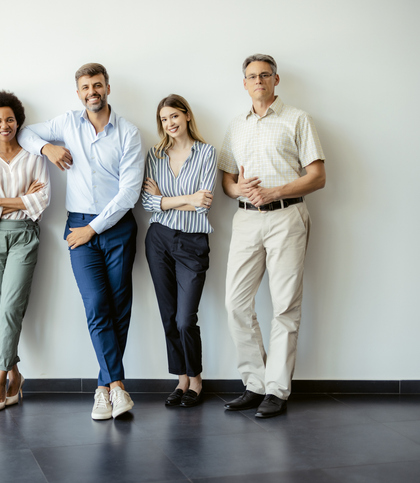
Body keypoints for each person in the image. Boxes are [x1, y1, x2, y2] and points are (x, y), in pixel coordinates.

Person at [17, 63, 143, 420]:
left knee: (119, 307)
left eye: (98, 85)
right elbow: (25, 133)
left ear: (107, 88)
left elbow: (129, 192)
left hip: (116, 226)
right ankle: (117, 386)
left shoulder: (129, 133)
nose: (92, 91)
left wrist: (95, 229)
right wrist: (47, 150)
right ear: (78, 92)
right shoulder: (67, 123)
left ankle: (104, 388)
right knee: (96, 303)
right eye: (86, 86)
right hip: (78, 227)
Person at [219, 54, 326, 418]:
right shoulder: (236, 126)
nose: (258, 80)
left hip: (287, 217)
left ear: (276, 80)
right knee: (235, 302)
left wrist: (275, 191)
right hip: (246, 220)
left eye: (265, 75)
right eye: (251, 76)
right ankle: (255, 383)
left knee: (284, 306)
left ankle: (277, 390)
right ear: (244, 83)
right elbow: (227, 183)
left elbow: (318, 176)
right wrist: (239, 190)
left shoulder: (298, 119)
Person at [0, 91, 51, 412]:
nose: (5, 125)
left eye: (10, 119)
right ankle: (17, 374)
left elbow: (41, 202)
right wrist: (19, 199)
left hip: (23, 237)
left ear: (18, 122)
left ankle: (0, 376)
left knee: (12, 307)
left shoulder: (34, 158)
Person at [142, 94, 217, 408]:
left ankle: (196, 378)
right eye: (163, 119)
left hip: (192, 242)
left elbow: (204, 204)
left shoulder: (207, 152)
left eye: (174, 116)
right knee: (168, 315)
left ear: (187, 116)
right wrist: (186, 198)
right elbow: (147, 203)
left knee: (186, 318)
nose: (169, 123)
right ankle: (181, 379)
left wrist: (166, 199)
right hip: (158, 239)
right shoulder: (155, 154)